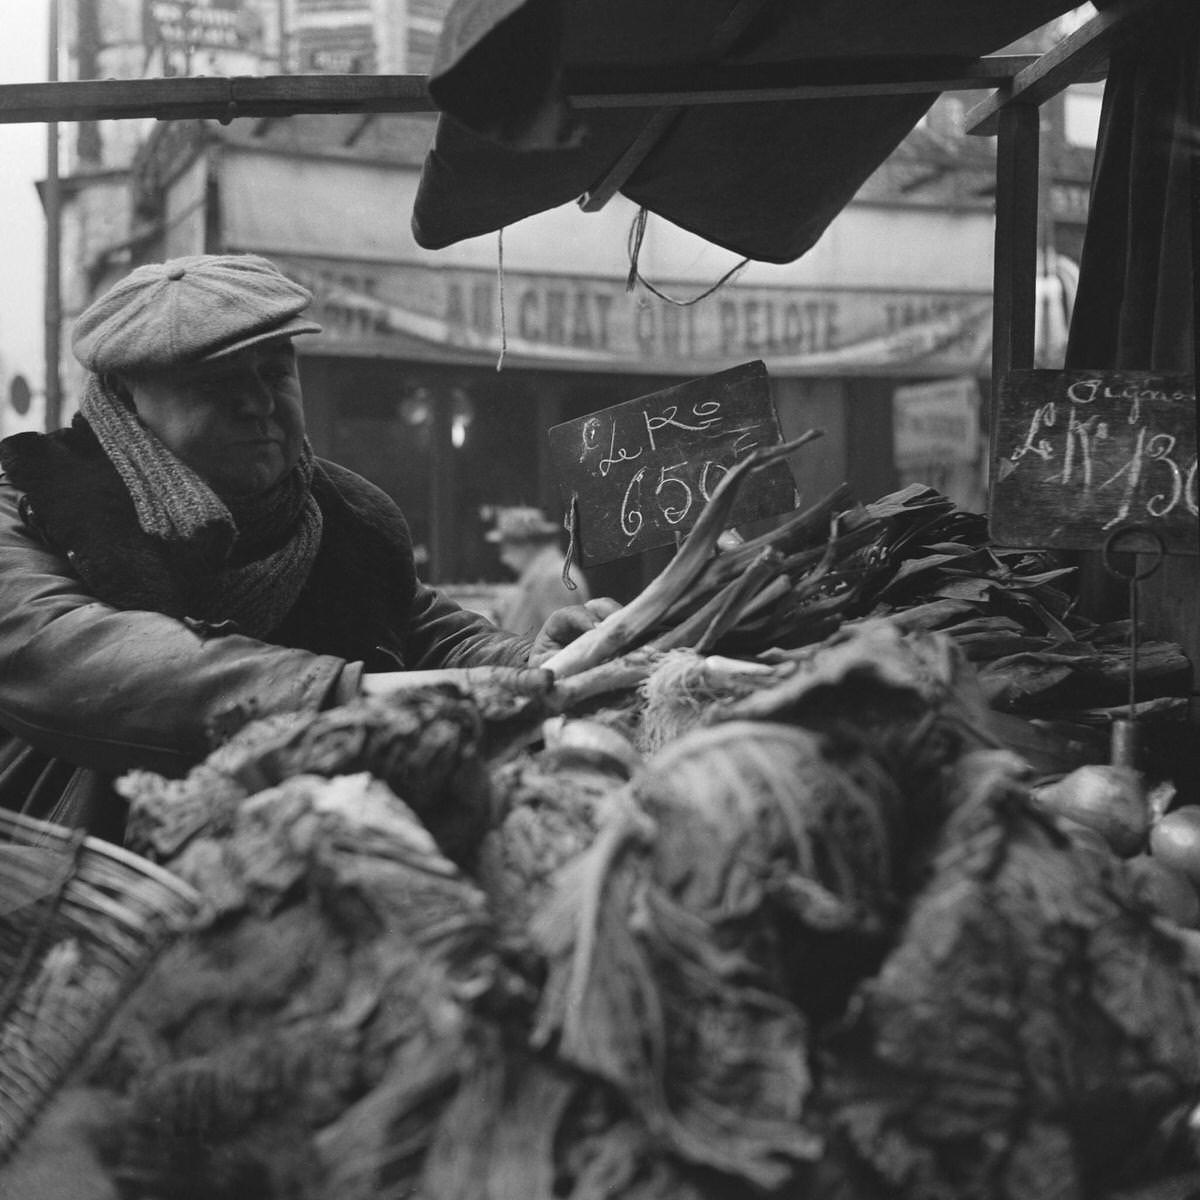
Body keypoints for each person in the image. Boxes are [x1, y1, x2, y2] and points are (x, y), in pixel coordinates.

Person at [0, 253, 615, 841]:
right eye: (217, 381)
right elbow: (84, 665)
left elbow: (431, 631)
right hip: (80, 879)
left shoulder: (347, 515)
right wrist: (342, 697)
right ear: (127, 396)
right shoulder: (28, 502)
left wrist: (528, 663)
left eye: (274, 371)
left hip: (319, 862)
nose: (261, 403)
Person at [487, 505, 590, 637]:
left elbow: (561, 640)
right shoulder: (543, 573)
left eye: (506, 548)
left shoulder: (553, 577)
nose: (503, 558)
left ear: (525, 545)